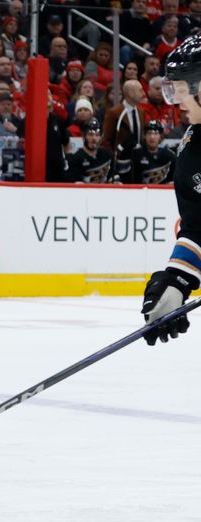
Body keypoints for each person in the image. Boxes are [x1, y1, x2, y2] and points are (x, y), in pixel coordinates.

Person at [140, 35, 201, 346]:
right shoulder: (193, 150)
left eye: (183, 87)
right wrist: (177, 279)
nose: (176, 100)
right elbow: (199, 225)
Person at [65, 118, 114, 183]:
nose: (94, 138)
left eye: (97, 135)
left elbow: (113, 175)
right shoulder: (75, 159)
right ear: (84, 136)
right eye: (90, 135)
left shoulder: (107, 155)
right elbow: (74, 183)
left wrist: (115, 182)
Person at [130, 120, 175, 184]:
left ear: (160, 136)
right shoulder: (136, 154)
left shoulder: (169, 156)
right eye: (149, 133)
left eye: (155, 133)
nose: (152, 137)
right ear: (144, 136)